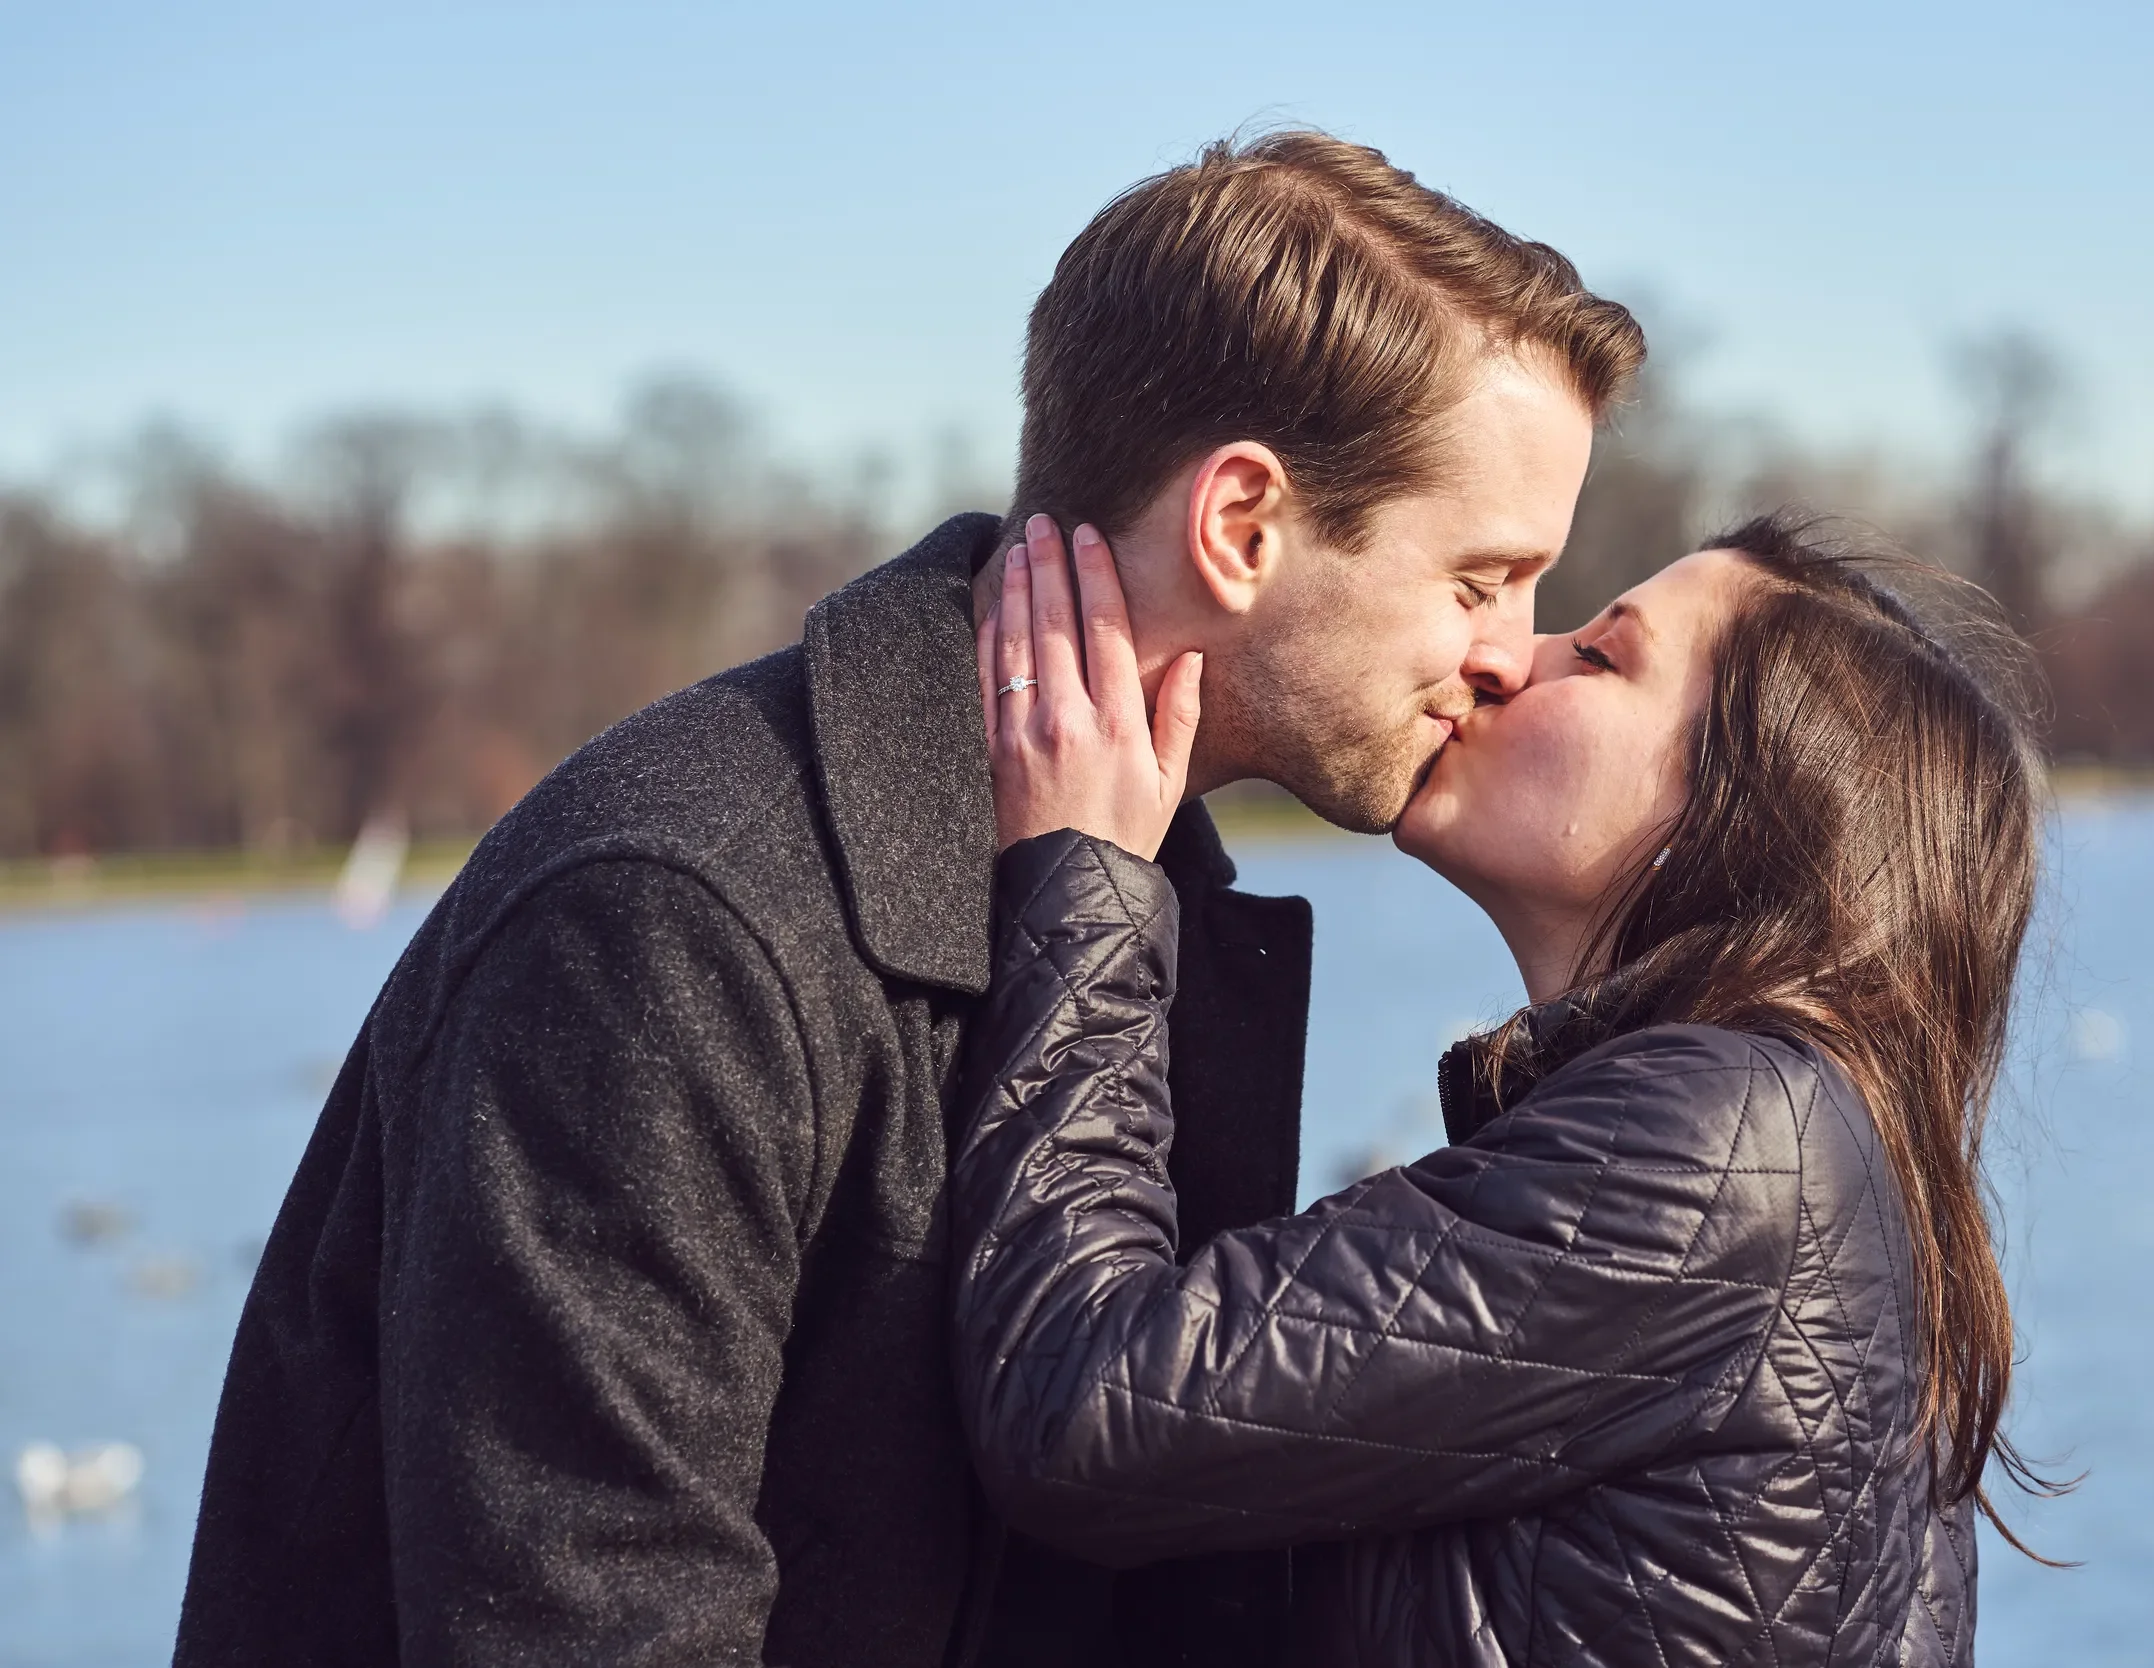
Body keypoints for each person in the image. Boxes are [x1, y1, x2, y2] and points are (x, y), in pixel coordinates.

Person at [172, 132, 1642, 1667]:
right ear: (1243, 526)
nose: (1508, 653)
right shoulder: (675, 917)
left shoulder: (1137, 888)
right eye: (1480, 578)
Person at [953, 513, 2061, 1665]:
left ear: (1740, 819)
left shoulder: (1733, 1143)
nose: (1505, 657)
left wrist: (1080, 875)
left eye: (1597, 655)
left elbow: (1078, 1396)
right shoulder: (1815, 1153)